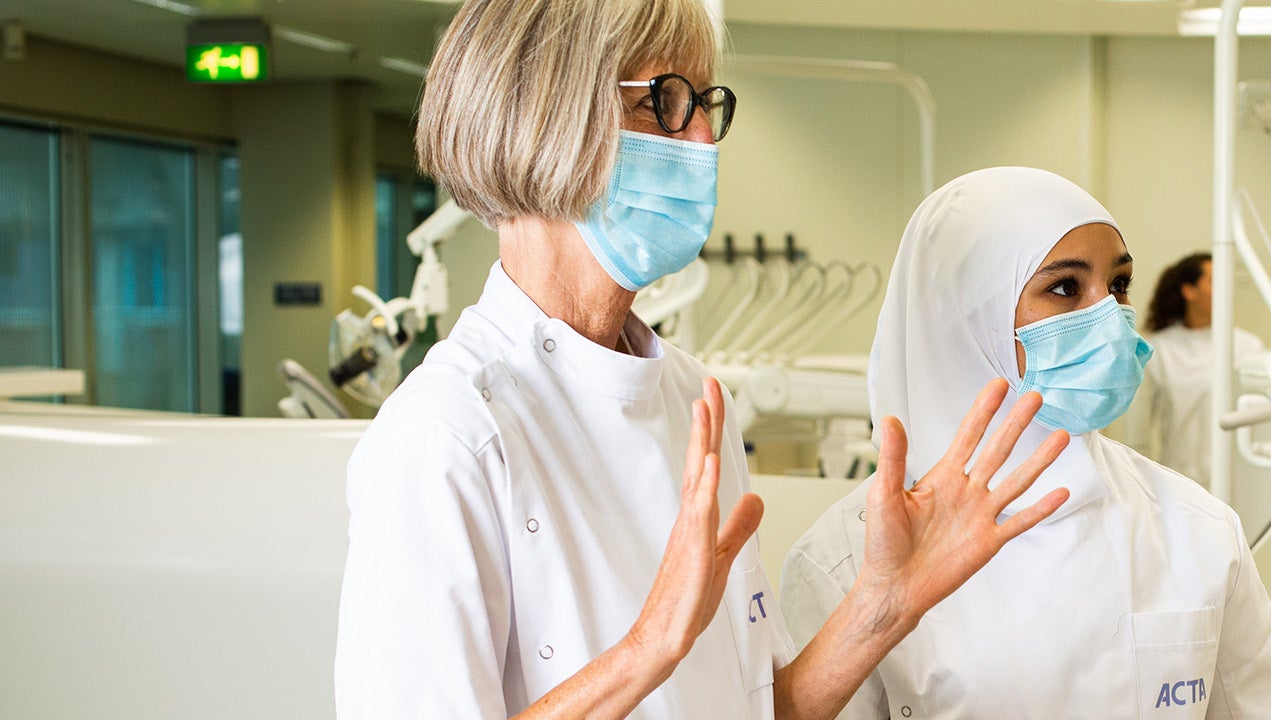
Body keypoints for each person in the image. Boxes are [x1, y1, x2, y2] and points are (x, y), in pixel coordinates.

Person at [334, 2, 1072, 717]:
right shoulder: (448, 436)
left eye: (704, 106)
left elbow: (753, 710)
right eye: (664, 102)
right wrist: (649, 648)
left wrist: (885, 607)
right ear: (544, 113)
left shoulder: (691, 396)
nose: (701, 144)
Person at [780, 167, 1271, 718]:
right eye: (1064, 288)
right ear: (968, 315)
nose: (1109, 316)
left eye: (1119, 285)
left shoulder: (1198, 527)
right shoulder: (845, 562)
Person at [1131, 251, 1266, 486]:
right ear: (1189, 291)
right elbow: (1137, 434)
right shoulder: (1157, 349)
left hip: (1238, 482)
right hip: (1178, 482)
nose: (1225, 291)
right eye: (1215, 282)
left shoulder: (1247, 346)